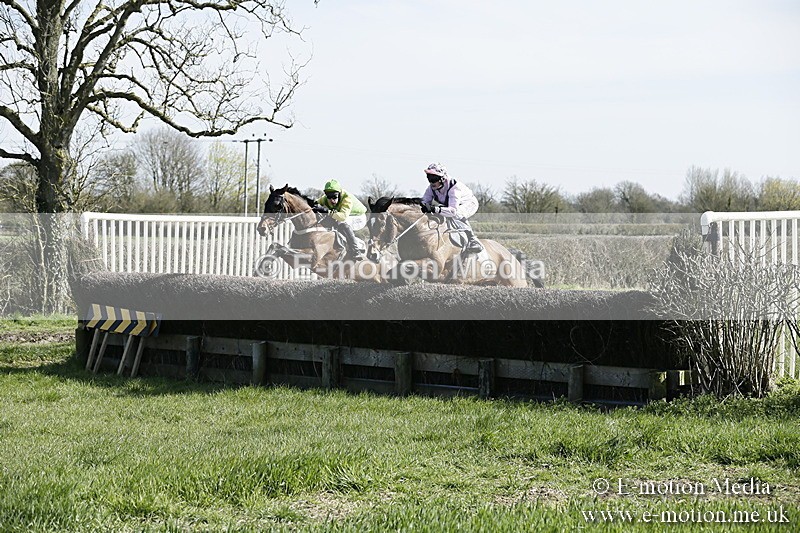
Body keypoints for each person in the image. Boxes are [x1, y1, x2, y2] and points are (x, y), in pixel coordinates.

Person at [420, 163, 483, 253]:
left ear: (442, 178)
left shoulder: (454, 188)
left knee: (456, 214)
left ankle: (473, 240)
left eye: (434, 179)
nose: (431, 182)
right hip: (451, 206)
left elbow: (452, 211)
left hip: (468, 203)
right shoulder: (431, 188)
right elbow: (424, 202)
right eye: (429, 178)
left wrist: (434, 209)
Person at [312, 179, 367, 260]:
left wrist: (326, 211)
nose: (332, 200)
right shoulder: (325, 198)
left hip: (359, 217)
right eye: (329, 197)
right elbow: (314, 204)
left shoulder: (346, 199)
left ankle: (356, 250)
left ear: (339, 193)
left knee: (341, 222)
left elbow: (343, 216)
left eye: (334, 197)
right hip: (345, 216)